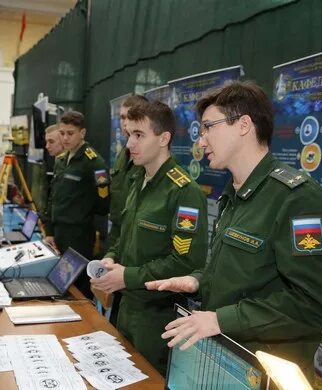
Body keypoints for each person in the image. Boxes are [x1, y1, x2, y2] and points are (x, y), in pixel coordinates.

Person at [146, 80, 322, 381]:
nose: (201, 141)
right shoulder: (234, 193)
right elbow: (246, 274)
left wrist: (220, 320)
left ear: (244, 125)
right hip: (226, 363)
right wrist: (197, 281)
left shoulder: (297, 198)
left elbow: (317, 305)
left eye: (209, 127)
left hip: (267, 374)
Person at [91, 100, 208, 374]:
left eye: (139, 135)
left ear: (164, 138)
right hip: (126, 308)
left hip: (158, 319)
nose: (130, 143)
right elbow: (125, 235)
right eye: (128, 134)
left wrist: (128, 276)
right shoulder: (136, 181)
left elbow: (186, 262)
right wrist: (110, 257)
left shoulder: (183, 191)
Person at [45, 111, 110, 298]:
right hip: (58, 233)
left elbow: (103, 201)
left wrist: (80, 212)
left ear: (82, 133)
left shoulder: (94, 163)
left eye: (70, 133)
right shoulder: (61, 160)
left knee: (76, 293)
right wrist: (49, 230)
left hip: (78, 237)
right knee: (58, 288)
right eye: (62, 133)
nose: (65, 138)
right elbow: (53, 198)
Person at [105, 94, 148, 325]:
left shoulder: (145, 161)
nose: (123, 123)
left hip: (136, 251)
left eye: (127, 117)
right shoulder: (124, 153)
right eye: (121, 118)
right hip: (119, 238)